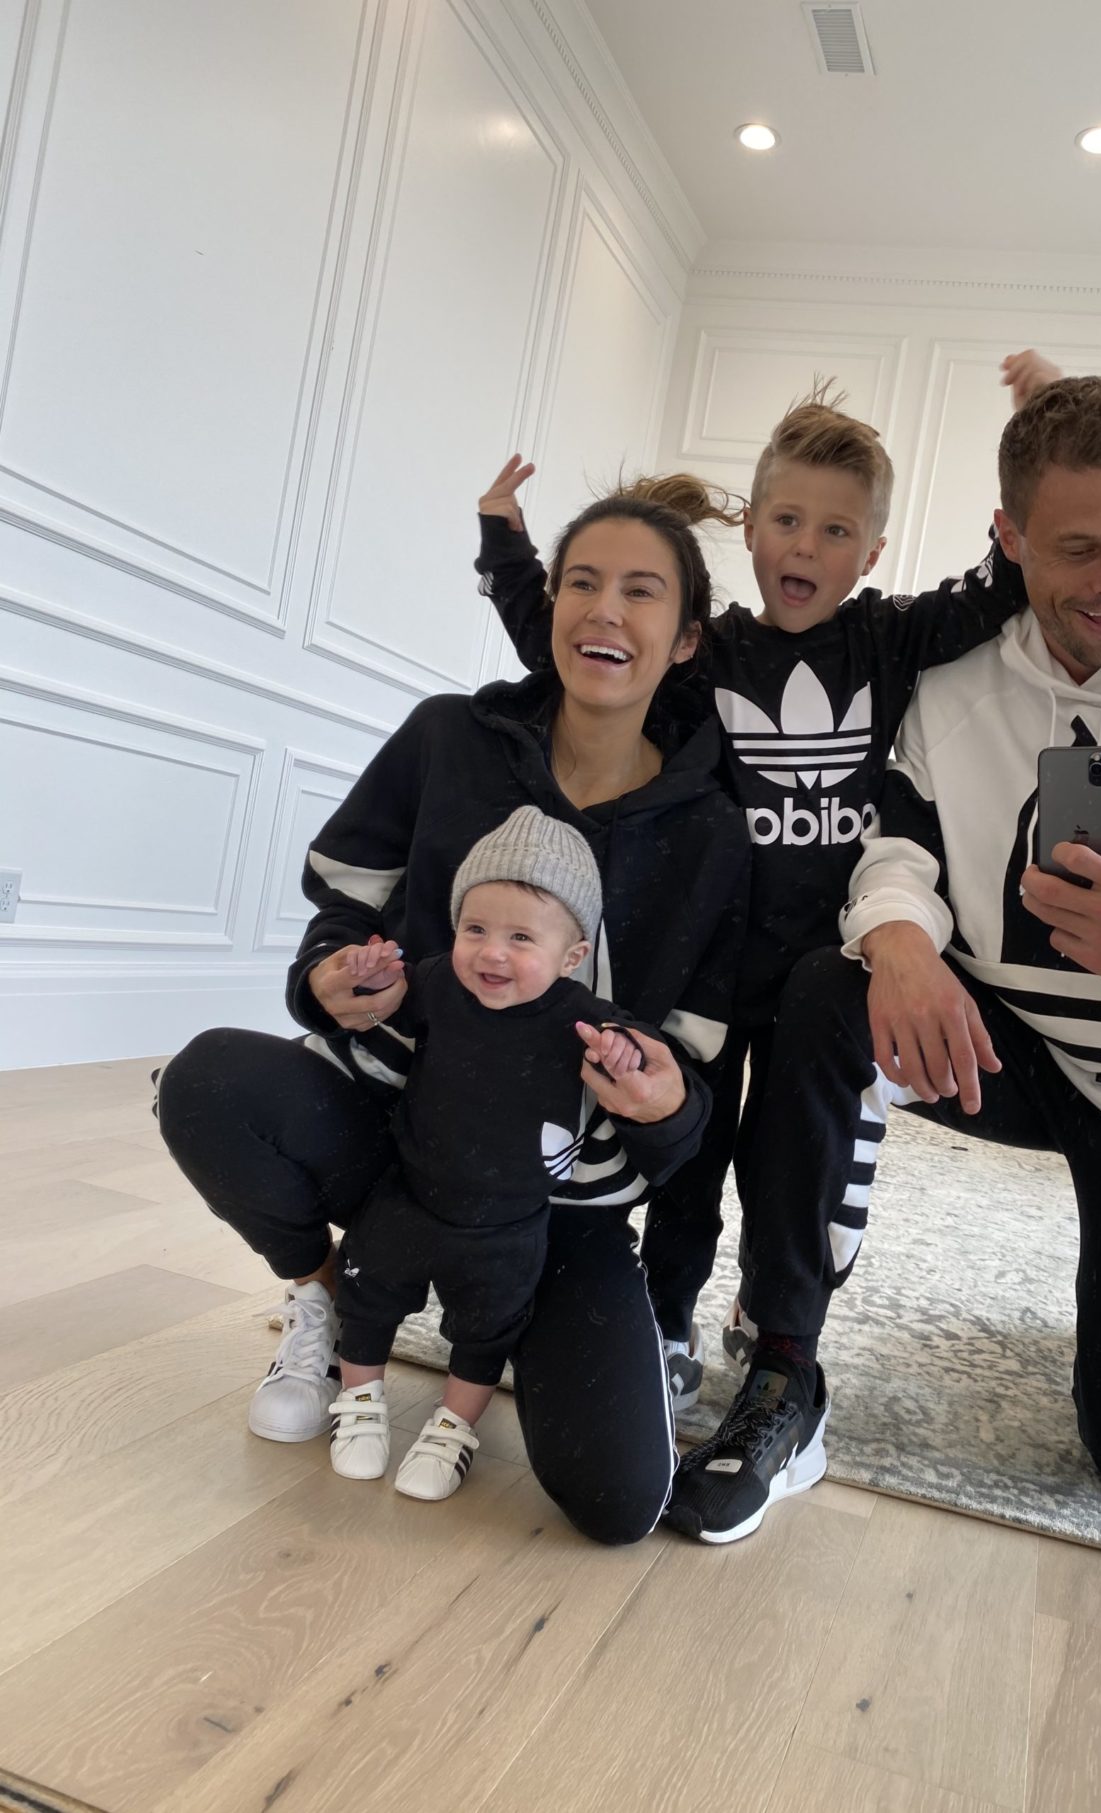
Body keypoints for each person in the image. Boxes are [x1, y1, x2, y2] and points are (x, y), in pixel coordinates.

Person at [666, 359, 1101, 1543]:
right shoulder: (957, 677)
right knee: (825, 989)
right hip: (1012, 1049)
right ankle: (785, 1362)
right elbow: (899, 851)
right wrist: (896, 939)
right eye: (1077, 549)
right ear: (1008, 539)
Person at [155, 478, 750, 1546]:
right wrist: (333, 976)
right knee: (205, 1080)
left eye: (640, 592)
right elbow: (343, 914)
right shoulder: (446, 741)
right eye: (580, 582)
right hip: (397, 1147)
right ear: (550, 606)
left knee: (618, 1499)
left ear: (687, 639)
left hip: (556, 1209)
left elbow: (693, 1102)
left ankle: (496, 1320)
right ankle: (331, 1295)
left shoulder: (713, 836)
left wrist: (661, 1103)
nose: (603, 610)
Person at [475, 371, 1031, 1402]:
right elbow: (584, 653)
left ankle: (776, 1303)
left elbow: (998, 587)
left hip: (825, 978)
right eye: (786, 520)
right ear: (754, 530)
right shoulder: (708, 648)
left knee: (790, 1165)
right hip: (711, 965)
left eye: (835, 532)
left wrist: (1040, 420)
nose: (805, 548)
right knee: (689, 1160)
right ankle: (668, 1314)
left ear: (869, 553)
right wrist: (505, 544)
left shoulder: (888, 638)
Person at [327, 806, 710, 1501]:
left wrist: (624, 1053)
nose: (492, 952)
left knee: (487, 1329)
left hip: (511, 1222)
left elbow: (639, 1053)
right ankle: (359, 1400)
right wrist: (370, 976)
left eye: (521, 937)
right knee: (366, 1293)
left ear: (573, 957)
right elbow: (386, 1004)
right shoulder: (441, 982)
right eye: (475, 928)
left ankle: (452, 1426)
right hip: (411, 1193)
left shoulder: (581, 1015)